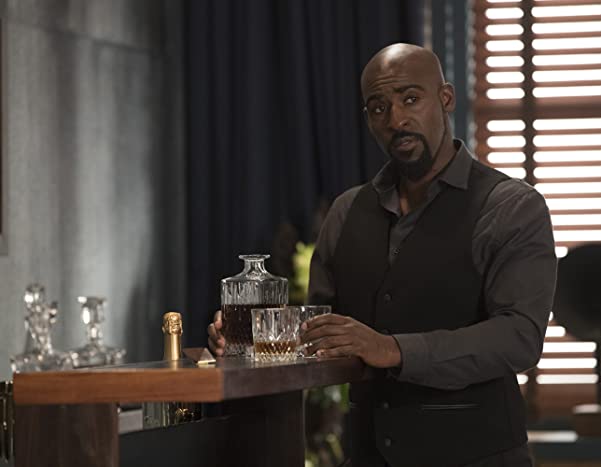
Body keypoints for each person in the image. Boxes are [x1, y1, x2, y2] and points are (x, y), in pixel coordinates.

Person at [209, 43, 556, 467]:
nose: (395, 120)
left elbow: (519, 338)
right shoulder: (346, 212)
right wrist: (251, 341)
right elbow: (317, 334)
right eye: (378, 108)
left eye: (410, 99)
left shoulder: (511, 206)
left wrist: (392, 349)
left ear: (446, 98)